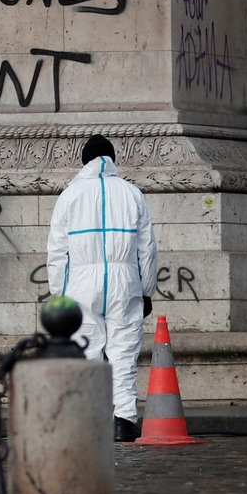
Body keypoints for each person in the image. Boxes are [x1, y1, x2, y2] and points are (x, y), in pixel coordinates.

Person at [46, 134, 158, 443]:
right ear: (112, 160)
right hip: (125, 281)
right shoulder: (132, 193)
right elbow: (147, 249)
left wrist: (59, 293)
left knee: (88, 351)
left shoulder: (70, 195)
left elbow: (56, 251)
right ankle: (123, 420)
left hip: (81, 283)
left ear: (84, 162)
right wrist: (147, 289)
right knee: (123, 353)